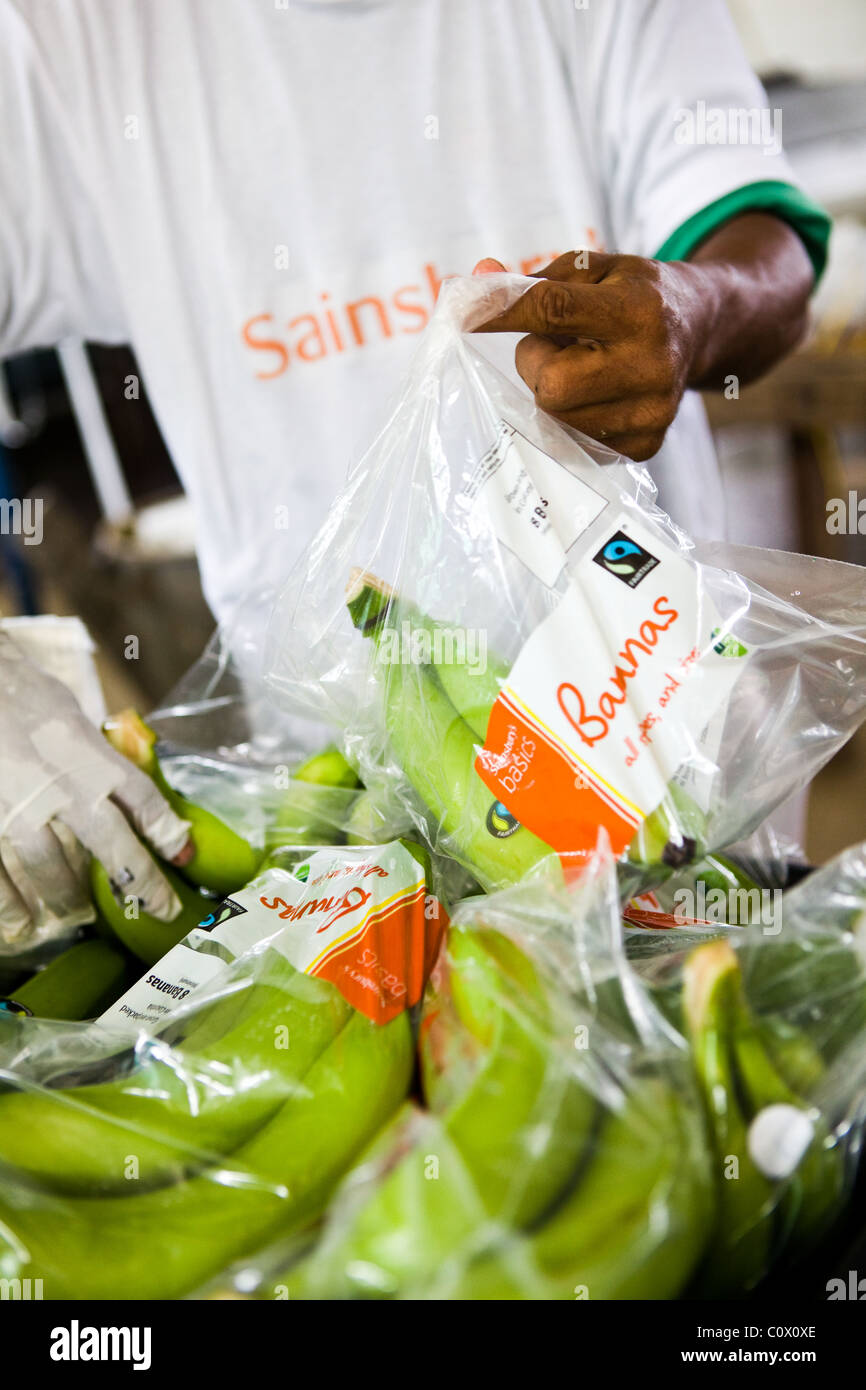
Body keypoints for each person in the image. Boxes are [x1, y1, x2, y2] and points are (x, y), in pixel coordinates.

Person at [0, 0, 830, 943]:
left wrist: (694, 308)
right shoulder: (65, 38)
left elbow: (766, 242)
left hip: (661, 750)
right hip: (335, 824)